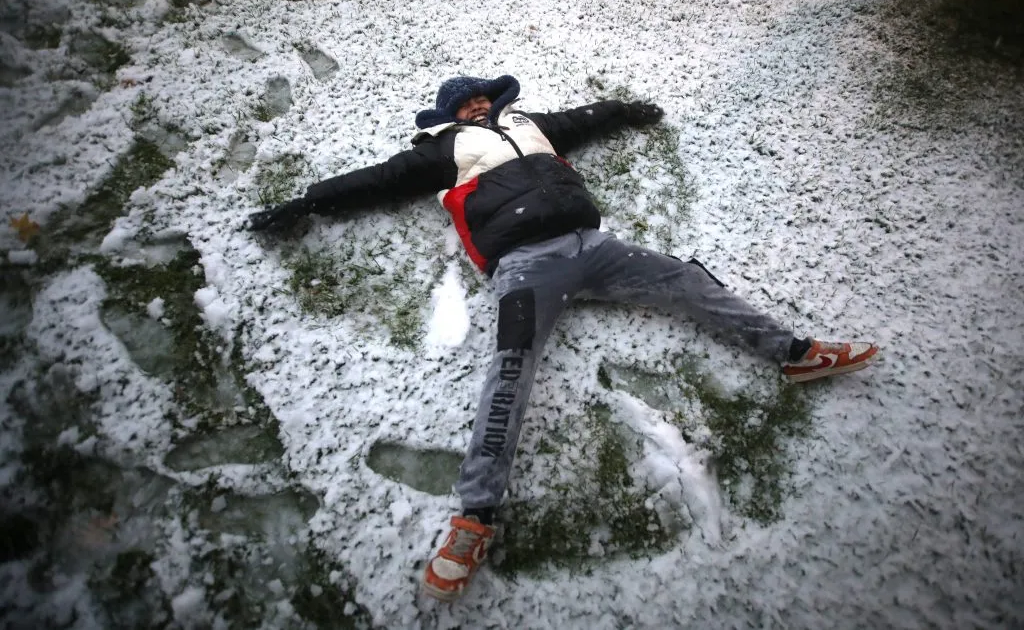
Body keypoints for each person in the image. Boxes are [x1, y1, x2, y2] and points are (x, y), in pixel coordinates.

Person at [248, 74, 879, 601]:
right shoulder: (443, 149)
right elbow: (374, 180)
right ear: (448, 115)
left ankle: (795, 354)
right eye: (464, 102)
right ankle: (474, 518)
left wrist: (625, 109)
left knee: (688, 281)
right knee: (510, 374)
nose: (476, 104)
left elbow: (584, 119)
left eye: (480, 96)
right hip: (526, 267)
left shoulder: (530, 124)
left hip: (597, 248)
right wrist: (306, 203)